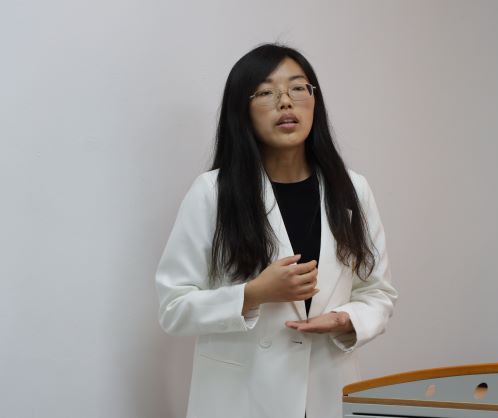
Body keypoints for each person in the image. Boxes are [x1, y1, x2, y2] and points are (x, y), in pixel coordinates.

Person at [155, 43, 398, 418]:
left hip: (325, 393)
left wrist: (347, 320)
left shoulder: (352, 189)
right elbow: (173, 307)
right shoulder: (213, 193)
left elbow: (377, 292)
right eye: (266, 92)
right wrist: (253, 294)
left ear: (314, 101)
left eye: (298, 88)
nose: (286, 101)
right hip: (242, 400)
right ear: (242, 110)